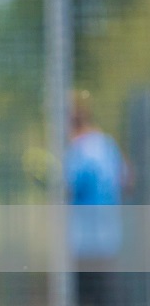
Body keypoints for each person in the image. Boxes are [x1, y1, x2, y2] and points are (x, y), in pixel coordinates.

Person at [66, 91, 131, 306]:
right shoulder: (107, 144)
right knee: (107, 295)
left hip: (83, 242)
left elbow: (69, 185)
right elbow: (126, 179)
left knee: (84, 296)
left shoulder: (78, 151)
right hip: (109, 238)